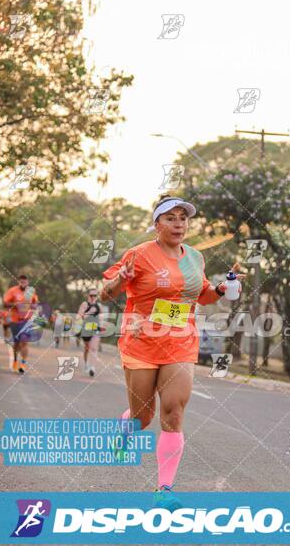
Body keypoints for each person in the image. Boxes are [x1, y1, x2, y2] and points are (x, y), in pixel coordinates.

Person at [101, 195, 246, 509]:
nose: (179, 223)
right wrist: (118, 281)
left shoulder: (194, 257)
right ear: (157, 224)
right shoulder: (138, 255)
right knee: (143, 416)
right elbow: (106, 293)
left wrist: (221, 288)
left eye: (183, 217)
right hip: (141, 340)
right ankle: (126, 426)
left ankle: (164, 489)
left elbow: (203, 295)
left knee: (173, 412)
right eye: (170, 217)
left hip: (180, 341)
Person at [3, 275, 39, 373]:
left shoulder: (31, 291)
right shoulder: (12, 291)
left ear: (28, 282)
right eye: (21, 282)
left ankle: (23, 364)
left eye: (25, 282)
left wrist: (31, 305)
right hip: (15, 320)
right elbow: (5, 304)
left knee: (24, 342)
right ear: (18, 282)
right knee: (17, 343)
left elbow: (36, 304)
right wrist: (16, 304)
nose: (23, 284)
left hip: (27, 320)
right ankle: (15, 361)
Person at [76, 289, 104, 377]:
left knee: (94, 348)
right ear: (88, 296)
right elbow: (79, 315)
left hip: (95, 329)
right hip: (86, 329)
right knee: (87, 348)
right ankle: (86, 364)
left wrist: (102, 325)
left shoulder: (99, 306)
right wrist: (88, 313)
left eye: (95, 295)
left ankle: (92, 368)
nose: (93, 297)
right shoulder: (84, 304)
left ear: (97, 297)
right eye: (91, 295)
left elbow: (102, 316)